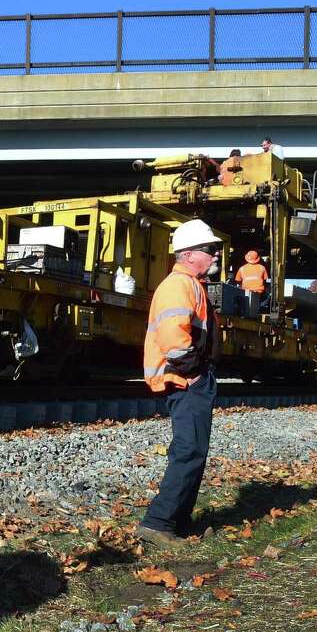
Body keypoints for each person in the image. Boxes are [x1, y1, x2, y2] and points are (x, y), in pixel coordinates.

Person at [137, 219, 222, 547]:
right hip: (184, 380)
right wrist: (192, 372)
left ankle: (178, 522)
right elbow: (173, 335)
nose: (214, 256)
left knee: (194, 451)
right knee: (188, 451)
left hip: (189, 378)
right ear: (188, 255)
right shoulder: (178, 285)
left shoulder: (191, 283)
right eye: (209, 250)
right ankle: (158, 523)